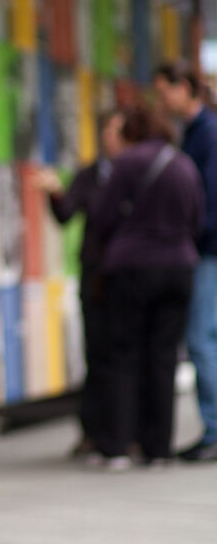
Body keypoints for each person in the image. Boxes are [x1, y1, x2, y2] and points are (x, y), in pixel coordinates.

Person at [91, 105, 203, 468]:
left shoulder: (127, 163)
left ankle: (119, 446)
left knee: (124, 354)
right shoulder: (184, 164)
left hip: (133, 267)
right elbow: (197, 218)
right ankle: (158, 449)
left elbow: (102, 215)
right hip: (180, 267)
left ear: (132, 132)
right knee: (164, 357)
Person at [36, 109, 125, 456]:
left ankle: (126, 431)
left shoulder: (136, 173)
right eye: (109, 130)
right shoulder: (90, 175)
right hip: (97, 274)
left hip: (128, 273)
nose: (111, 137)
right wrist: (55, 191)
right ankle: (95, 431)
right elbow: (65, 213)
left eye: (118, 130)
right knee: (97, 353)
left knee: (125, 354)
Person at [153, 60, 217, 461]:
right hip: (204, 247)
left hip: (208, 249)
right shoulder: (197, 131)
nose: (161, 101)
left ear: (184, 88)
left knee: (201, 339)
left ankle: (214, 429)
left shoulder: (206, 132)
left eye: (165, 92)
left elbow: (209, 200)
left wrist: (191, 238)